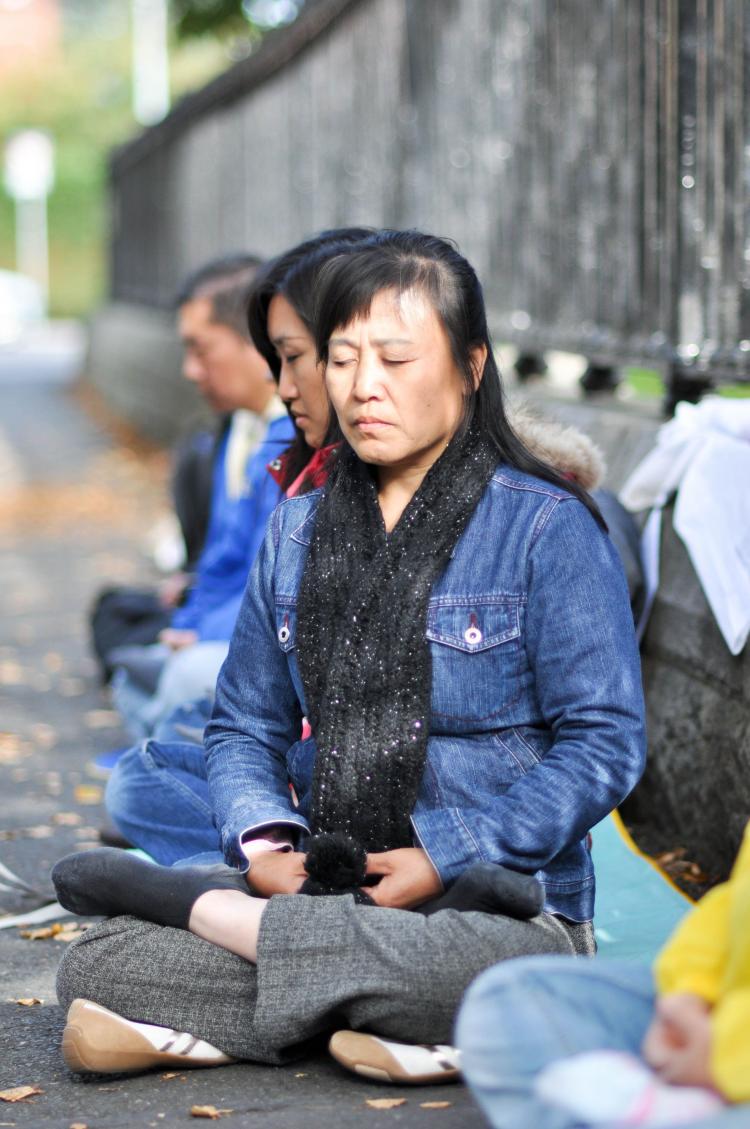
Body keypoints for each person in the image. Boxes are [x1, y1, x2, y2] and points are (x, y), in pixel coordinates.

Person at [52, 229, 646, 1080]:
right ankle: (389, 1021)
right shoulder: (295, 529)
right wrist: (264, 847)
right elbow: (243, 725)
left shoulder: (546, 527)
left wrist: (445, 854)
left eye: (397, 359)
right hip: (330, 884)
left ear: (472, 367)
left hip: (502, 910)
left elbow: (605, 743)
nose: (364, 387)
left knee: (491, 967)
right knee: (97, 960)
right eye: (341, 360)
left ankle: (237, 943)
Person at [103, 227, 373, 862]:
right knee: (142, 777)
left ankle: (219, 882)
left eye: (294, 357)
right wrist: (258, 825)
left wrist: (446, 849)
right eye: (274, 358)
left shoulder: (522, 510)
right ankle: (249, 868)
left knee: (191, 687)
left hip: (387, 809)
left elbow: (592, 741)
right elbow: (255, 691)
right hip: (306, 774)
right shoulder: (297, 473)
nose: (282, 384)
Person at [107, 257, 295, 739]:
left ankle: (166, 759)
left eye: (200, 350)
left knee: (184, 678)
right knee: (129, 660)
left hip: (260, 647)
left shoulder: (291, 437)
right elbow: (220, 559)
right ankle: (164, 752)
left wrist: (202, 635)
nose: (191, 371)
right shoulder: (238, 432)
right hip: (218, 631)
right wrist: (188, 623)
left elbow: (272, 585)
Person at [456, 821, 750, 1129]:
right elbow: (733, 905)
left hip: (729, 1049)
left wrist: (723, 1059)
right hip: (714, 1011)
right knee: (511, 997)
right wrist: (689, 995)